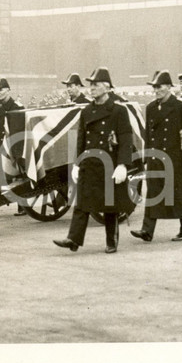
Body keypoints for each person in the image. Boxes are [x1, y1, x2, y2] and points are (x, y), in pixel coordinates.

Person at [53, 67, 134, 254]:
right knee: (82, 202)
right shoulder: (87, 111)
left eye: (95, 85)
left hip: (110, 163)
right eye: (90, 85)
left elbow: (125, 139)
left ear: (107, 87)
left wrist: (123, 165)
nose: (91, 88)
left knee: (110, 205)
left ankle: (111, 241)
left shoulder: (118, 111)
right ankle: (73, 239)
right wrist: (77, 162)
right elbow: (81, 139)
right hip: (89, 163)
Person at [129, 71, 182, 242]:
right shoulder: (151, 107)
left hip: (175, 157)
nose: (156, 90)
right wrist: (147, 156)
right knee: (153, 191)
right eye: (154, 87)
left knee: (180, 193)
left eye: (159, 86)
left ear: (169, 87)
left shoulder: (181, 107)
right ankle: (147, 230)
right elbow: (148, 135)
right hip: (156, 157)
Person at [0, 77, 28, 216]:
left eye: (1, 89)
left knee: (17, 177)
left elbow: (20, 132)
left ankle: (22, 205)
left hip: (12, 147)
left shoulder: (17, 107)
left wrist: (18, 153)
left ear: (8, 90)